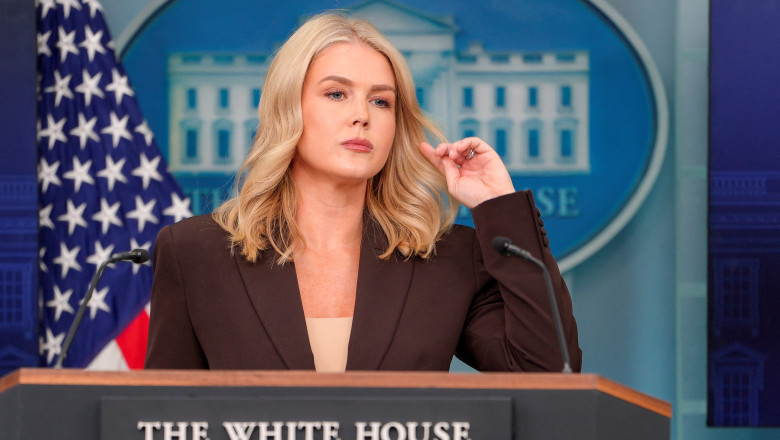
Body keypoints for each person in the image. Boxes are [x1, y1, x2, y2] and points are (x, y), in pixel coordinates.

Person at [144, 12, 581, 373]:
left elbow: (546, 371)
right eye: (336, 93)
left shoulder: (448, 256)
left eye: (381, 101)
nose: (361, 116)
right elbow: (163, 418)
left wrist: (498, 207)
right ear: (287, 108)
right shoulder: (193, 251)